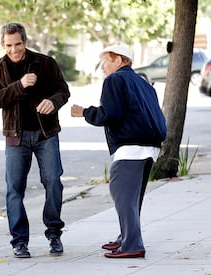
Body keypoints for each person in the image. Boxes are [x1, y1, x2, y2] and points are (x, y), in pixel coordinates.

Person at [71, 44, 167, 258]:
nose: (102, 66)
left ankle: (132, 245)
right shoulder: (142, 82)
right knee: (131, 198)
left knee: (122, 195)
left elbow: (110, 115)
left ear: (119, 60)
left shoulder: (115, 80)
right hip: (150, 147)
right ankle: (125, 238)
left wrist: (84, 112)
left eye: (106, 60)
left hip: (131, 148)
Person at [0, 23, 70, 258]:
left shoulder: (45, 63)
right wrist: (20, 85)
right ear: (3, 44)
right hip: (16, 136)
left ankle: (54, 233)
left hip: (46, 134)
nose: (14, 50)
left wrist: (54, 102)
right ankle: (19, 241)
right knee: (14, 189)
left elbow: (63, 90)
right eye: (8, 45)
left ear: (25, 41)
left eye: (18, 44)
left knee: (54, 181)